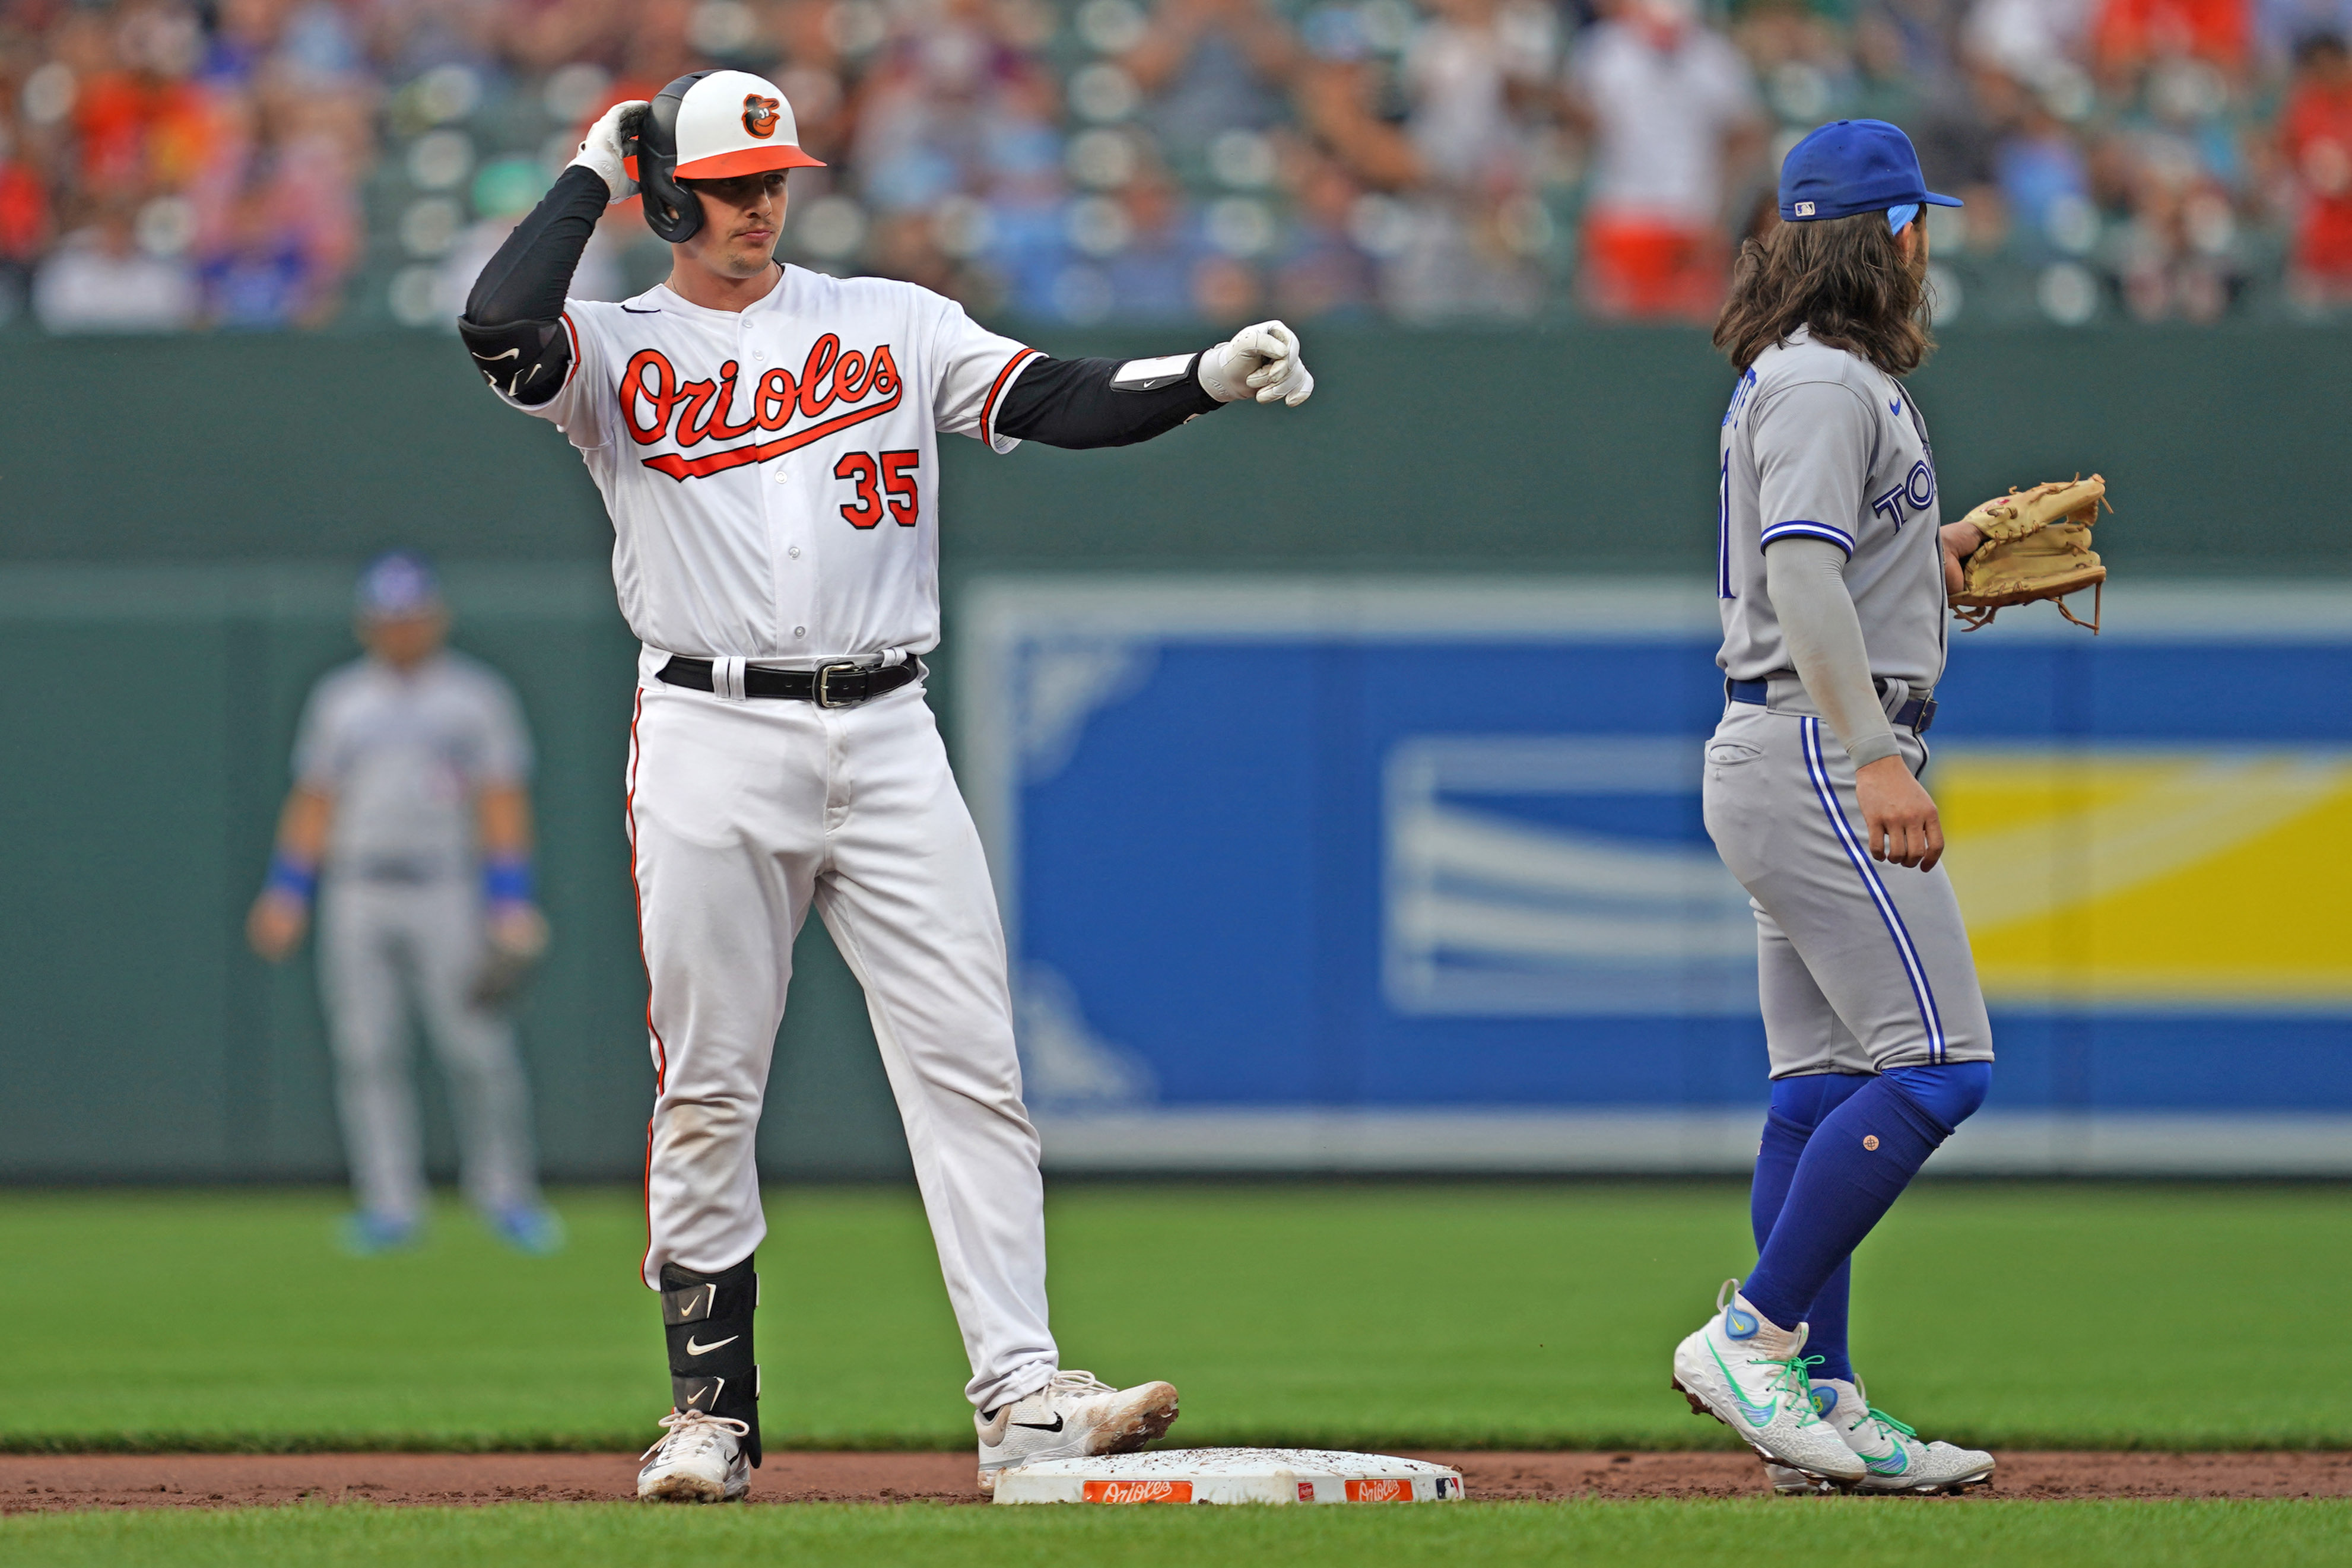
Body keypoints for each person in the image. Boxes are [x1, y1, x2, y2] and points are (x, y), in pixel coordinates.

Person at [456, 69, 1315, 1503]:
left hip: (889, 723)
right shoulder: (613, 349)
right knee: (713, 1082)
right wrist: (593, 173)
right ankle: (709, 1415)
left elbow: (1060, 400)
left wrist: (1201, 379)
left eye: (774, 178)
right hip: (711, 729)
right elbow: (499, 325)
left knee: (972, 1061)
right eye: (729, 185)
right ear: (670, 195)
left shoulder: (887, 321)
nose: (760, 204)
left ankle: (1025, 1394)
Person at [1669, 119, 1998, 1496]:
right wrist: (1873, 751)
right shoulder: (1819, 385)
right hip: (1814, 749)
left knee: (1821, 1089)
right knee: (1940, 1064)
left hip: (1779, 747)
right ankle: (1754, 1332)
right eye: (1919, 220)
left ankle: (1822, 1402)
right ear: (1891, 236)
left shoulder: (1808, 376)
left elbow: (1836, 563)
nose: (1927, 243)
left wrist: (1935, 557)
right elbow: (1801, 582)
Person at [247, 552, 560, 1257]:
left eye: (412, 615)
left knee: (477, 1046)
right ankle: (389, 1202)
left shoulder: (475, 696)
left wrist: (510, 897)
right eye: (389, 618)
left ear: (436, 618)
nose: (401, 629)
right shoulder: (340, 698)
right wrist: (287, 889)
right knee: (366, 1049)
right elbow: (315, 798)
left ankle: (506, 1193)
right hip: (357, 886)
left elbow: (502, 799)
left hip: (445, 884)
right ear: (368, 625)